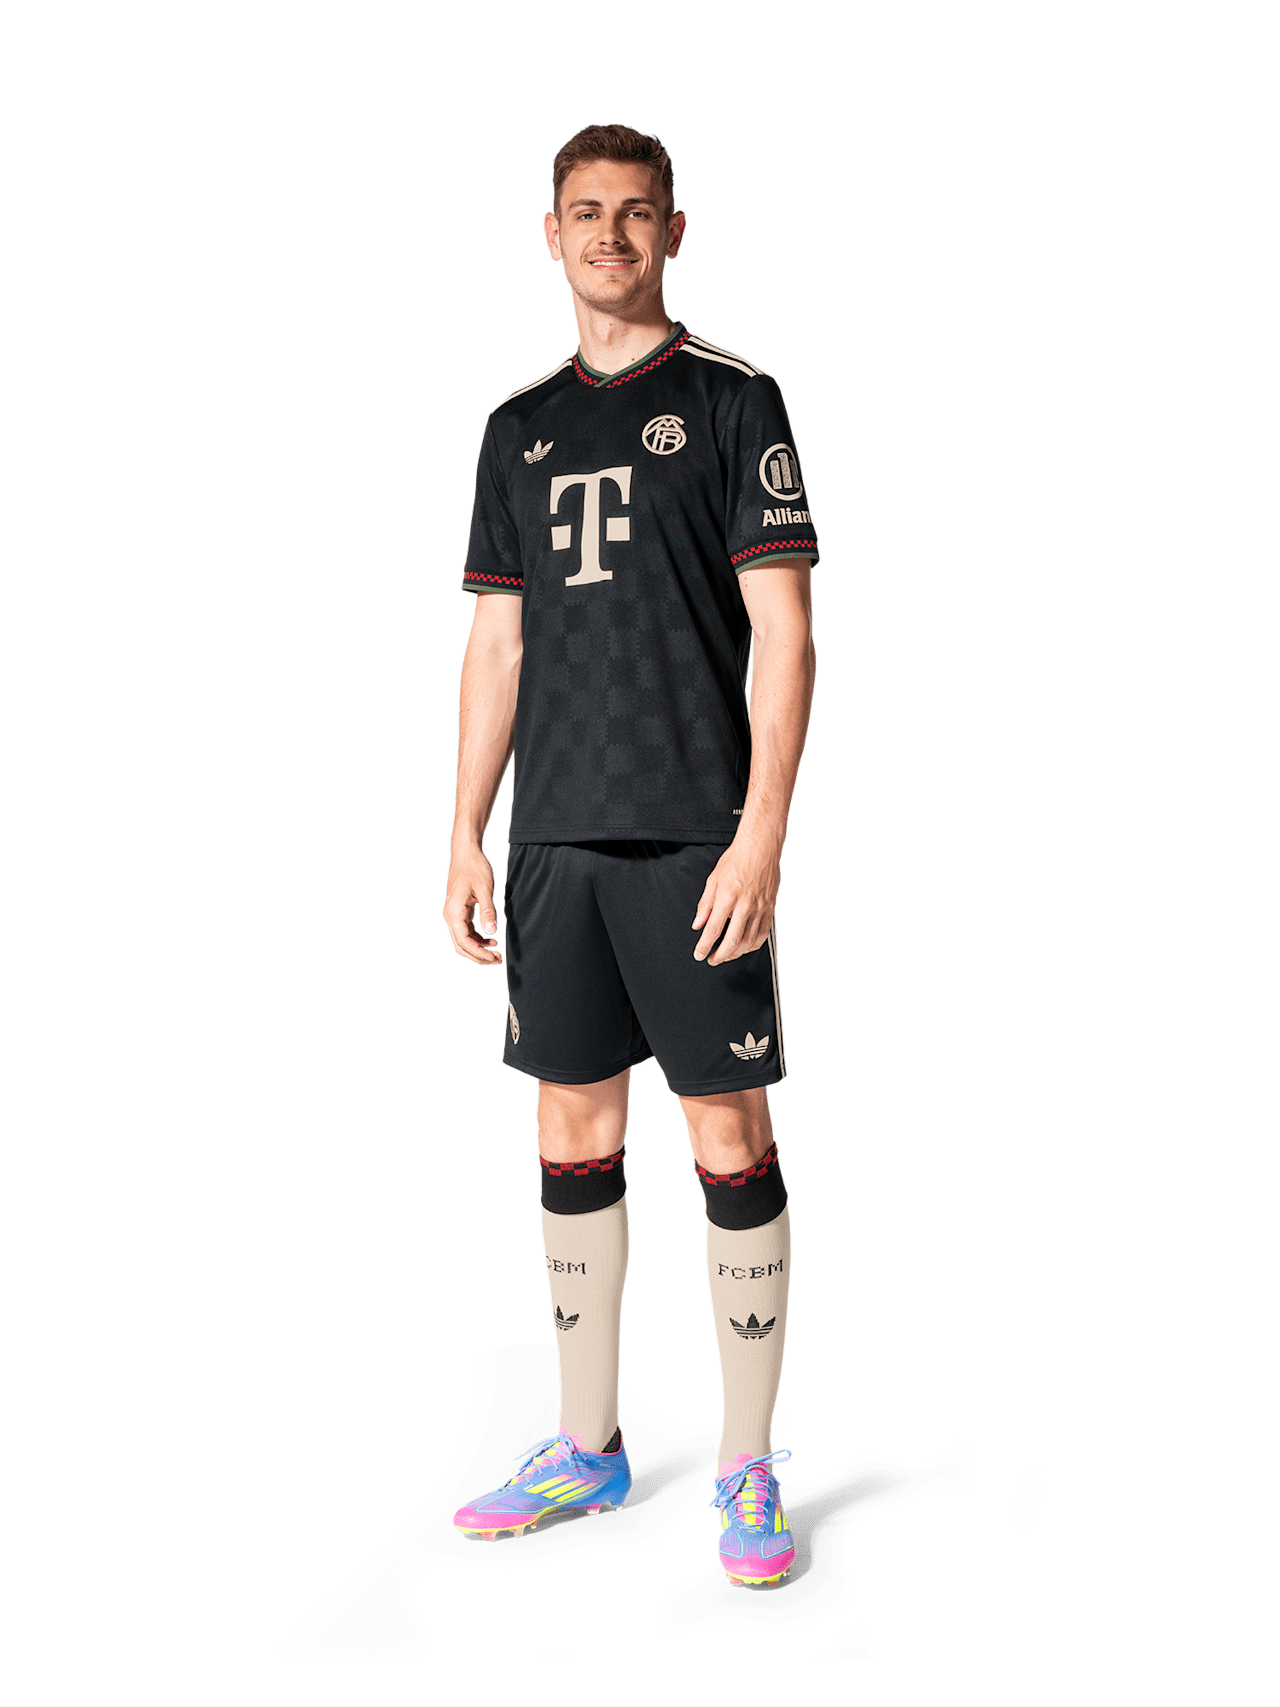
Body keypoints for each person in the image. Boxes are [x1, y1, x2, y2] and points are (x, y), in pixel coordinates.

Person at [443, 123, 818, 1589]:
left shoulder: (733, 398)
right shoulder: (513, 428)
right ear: (551, 235)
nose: (610, 234)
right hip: (554, 840)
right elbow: (496, 645)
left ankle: (744, 1463)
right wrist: (464, 828)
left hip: (692, 839)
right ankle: (586, 1440)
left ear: (674, 232)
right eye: (586, 213)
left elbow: (784, 630)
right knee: (569, 1129)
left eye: (637, 213)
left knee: (726, 1134)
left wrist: (763, 831)